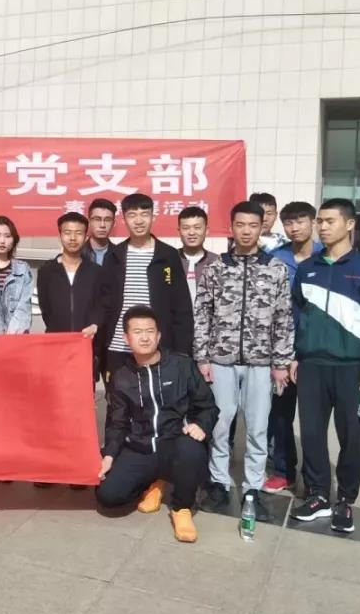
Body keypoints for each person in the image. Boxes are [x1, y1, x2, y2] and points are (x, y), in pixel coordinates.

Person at [289, 199, 360, 534]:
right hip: (312, 365)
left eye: (330, 221)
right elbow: (296, 315)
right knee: (311, 434)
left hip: (351, 367)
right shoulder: (308, 268)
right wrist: (295, 355)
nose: (322, 227)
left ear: (350, 224)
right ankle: (318, 495)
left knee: (351, 437)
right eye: (320, 221)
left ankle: (346, 500)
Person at [194, 201, 293, 522]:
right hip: (220, 360)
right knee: (220, 425)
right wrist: (202, 357)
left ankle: (253, 486)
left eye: (253, 225)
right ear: (231, 227)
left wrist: (281, 361)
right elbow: (202, 314)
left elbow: (283, 317)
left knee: (258, 427)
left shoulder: (275, 268)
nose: (246, 231)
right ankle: (219, 482)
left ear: (262, 227)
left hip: (261, 363)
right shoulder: (215, 268)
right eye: (240, 225)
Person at [96, 306, 217, 543]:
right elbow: (117, 423)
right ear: (126, 338)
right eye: (138, 332)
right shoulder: (121, 377)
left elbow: (208, 406)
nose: (145, 337)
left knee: (192, 449)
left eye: (150, 331)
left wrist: (200, 424)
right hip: (140, 447)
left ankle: (181, 508)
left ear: (158, 335)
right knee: (108, 496)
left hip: (175, 444)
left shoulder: (182, 366)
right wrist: (109, 455)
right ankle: (154, 483)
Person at [264, 201, 322, 494]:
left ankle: (315, 479)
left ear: (313, 222)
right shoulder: (276, 258)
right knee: (280, 414)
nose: (294, 227)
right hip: (282, 350)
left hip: (316, 350)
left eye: (300, 221)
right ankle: (283, 471)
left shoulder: (328, 257)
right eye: (288, 222)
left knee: (314, 419)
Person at [102, 193, 192, 377]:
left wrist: (182, 351)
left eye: (144, 214)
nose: (139, 221)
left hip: (156, 346)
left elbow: (181, 307)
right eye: (132, 215)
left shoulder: (168, 255)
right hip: (119, 346)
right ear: (124, 219)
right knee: (119, 395)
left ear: (153, 216)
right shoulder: (114, 255)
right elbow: (104, 302)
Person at [36, 211, 109, 375]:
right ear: (60, 236)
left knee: (84, 388)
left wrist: (95, 324)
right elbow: (46, 309)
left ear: (86, 236)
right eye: (67, 233)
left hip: (87, 345)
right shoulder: (47, 271)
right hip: (56, 345)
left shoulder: (96, 272)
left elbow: (102, 304)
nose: (73, 238)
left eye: (78, 233)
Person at [177, 206, 218, 302]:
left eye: (197, 228)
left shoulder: (217, 262)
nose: (191, 233)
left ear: (206, 230)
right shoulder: (168, 260)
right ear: (179, 231)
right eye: (186, 228)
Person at [82, 198, 117, 266]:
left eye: (107, 220)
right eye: (97, 219)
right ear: (89, 222)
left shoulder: (119, 254)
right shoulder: (77, 253)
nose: (102, 225)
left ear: (113, 223)